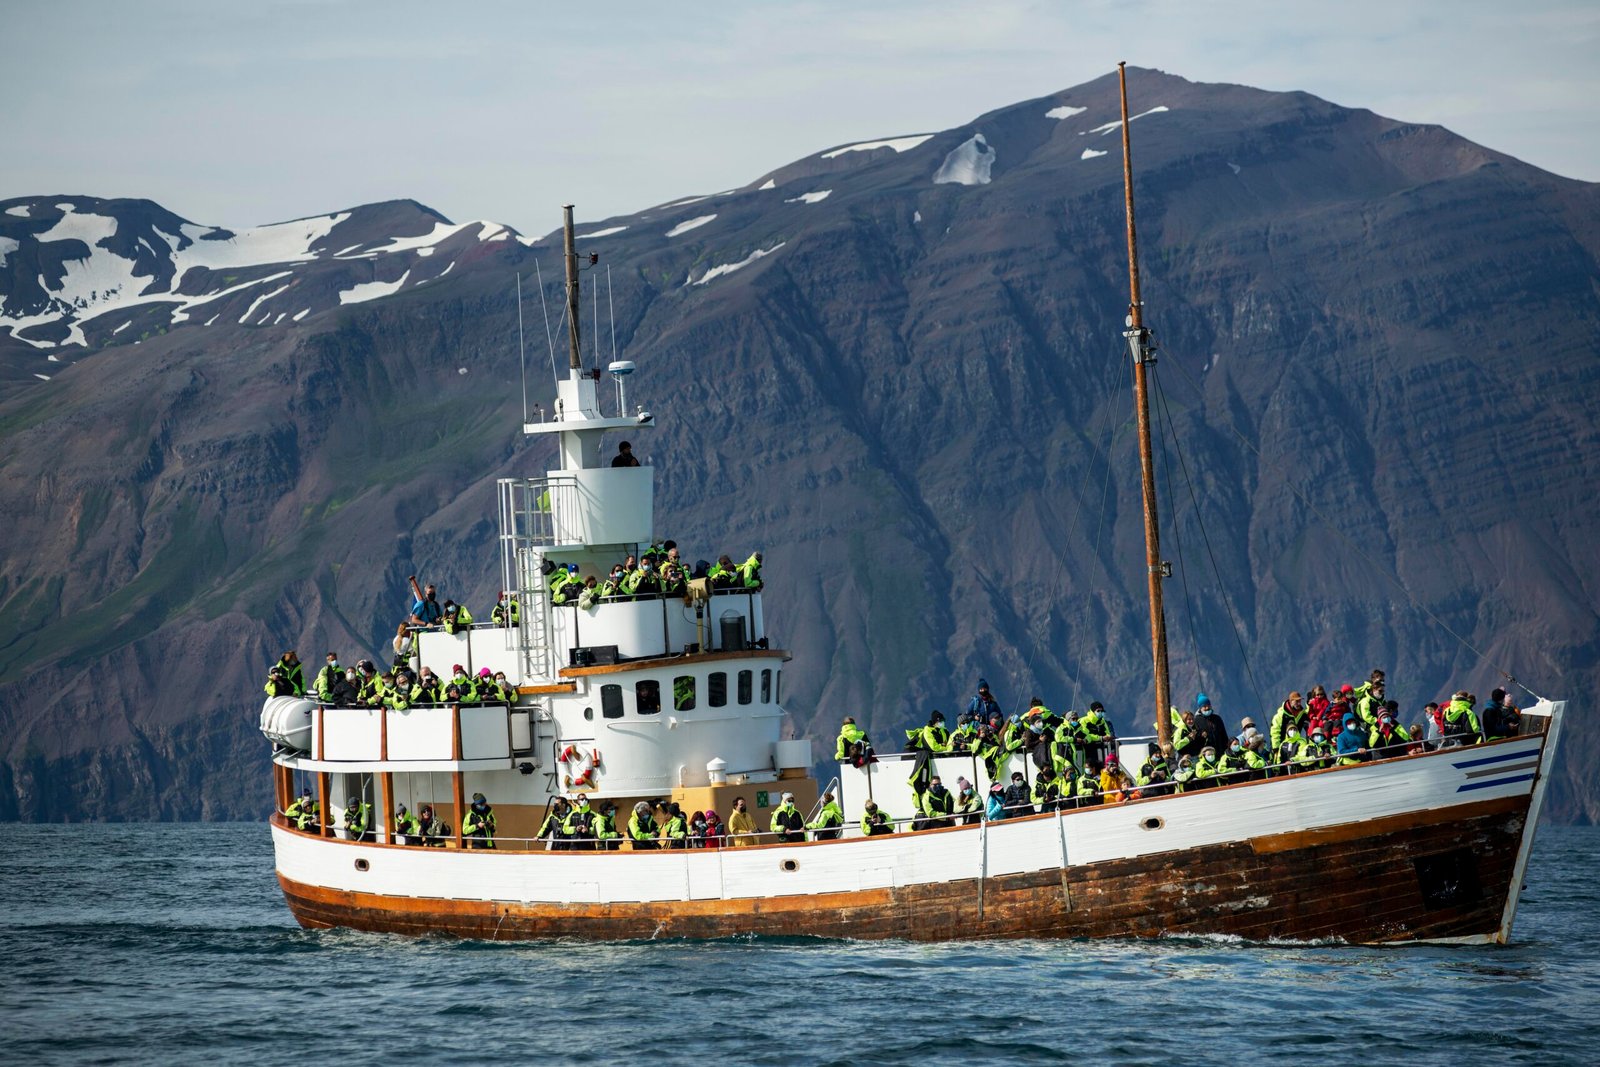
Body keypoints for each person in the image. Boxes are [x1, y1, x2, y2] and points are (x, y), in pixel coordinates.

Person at [1078, 702, 1115, 772]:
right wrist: (1100, 738)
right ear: (1093, 711)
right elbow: (1086, 735)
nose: (1100, 712)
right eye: (1098, 711)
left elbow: (1107, 733)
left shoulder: (1102, 721)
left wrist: (1108, 737)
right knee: (1090, 769)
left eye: (1102, 711)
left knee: (1101, 769)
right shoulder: (1084, 721)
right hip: (1087, 750)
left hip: (1101, 749)